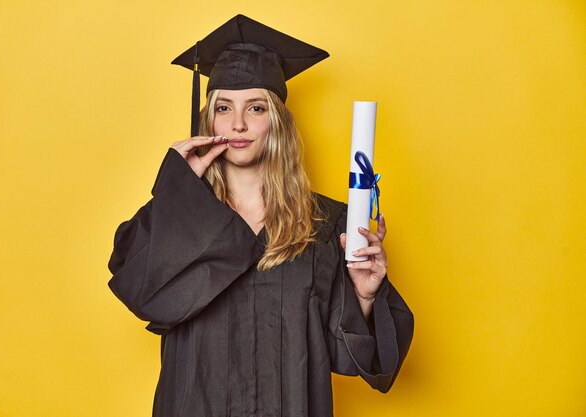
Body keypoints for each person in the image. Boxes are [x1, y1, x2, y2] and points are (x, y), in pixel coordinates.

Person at [108, 14, 413, 417]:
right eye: (223, 107)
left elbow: (347, 355)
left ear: (277, 122)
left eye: (255, 107)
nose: (237, 123)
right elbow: (138, 290)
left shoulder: (324, 224)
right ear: (208, 119)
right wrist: (175, 190)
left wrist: (365, 295)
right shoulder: (178, 216)